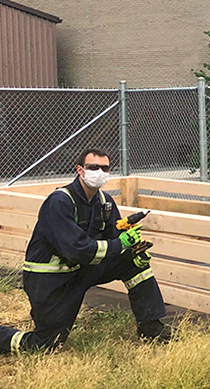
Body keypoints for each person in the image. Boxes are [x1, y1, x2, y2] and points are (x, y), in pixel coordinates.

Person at [0, 148, 170, 355]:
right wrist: (120, 245)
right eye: (93, 167)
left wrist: (134, 254)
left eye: (105, 168)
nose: (99, 172)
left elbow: (113, 240)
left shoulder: (105, 202)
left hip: (81, 270)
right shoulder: (59, 202)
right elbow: (77, 250)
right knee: (46, 344)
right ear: (80, 170)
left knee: (134, 264)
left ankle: (151, 328)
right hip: (50, 279)